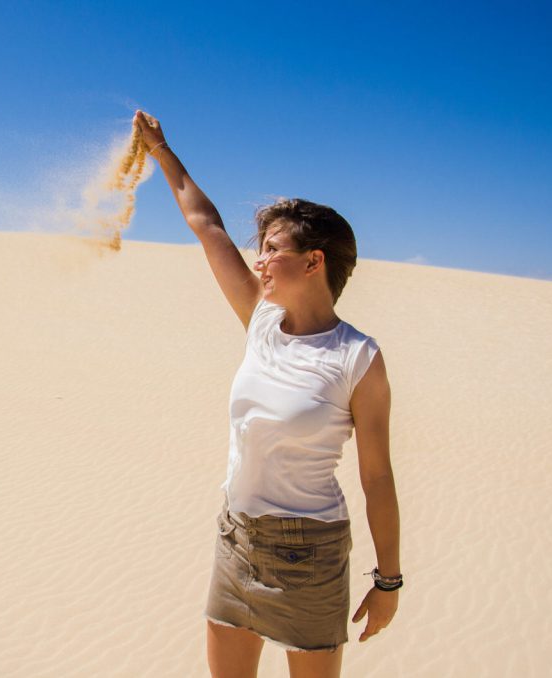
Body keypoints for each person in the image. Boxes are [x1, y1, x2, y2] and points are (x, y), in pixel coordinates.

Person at [133, 110, 402, 678]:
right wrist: (161, 151)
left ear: (313, 261)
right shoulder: (260, 321)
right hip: (236, 536)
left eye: (272, 248)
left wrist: (388, 582)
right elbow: (206, 224)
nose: (258, 260)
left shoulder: (357, 358)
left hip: (310, 554)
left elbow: (377, 476)